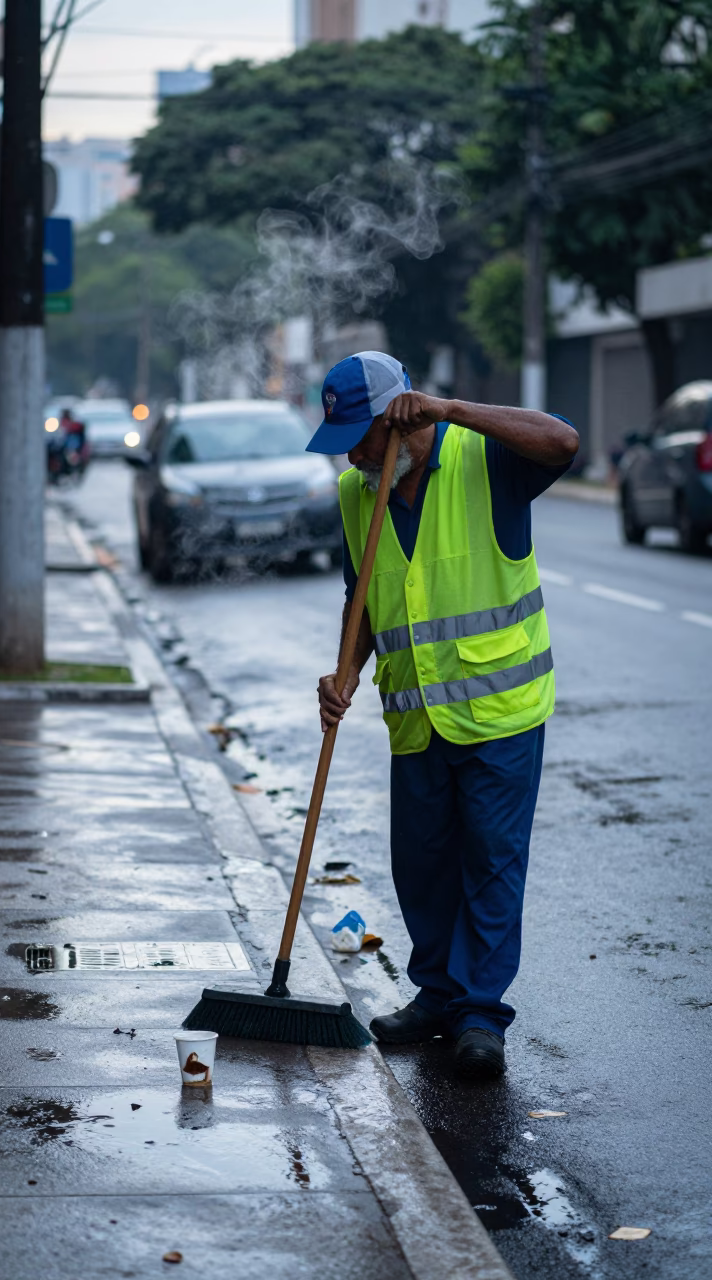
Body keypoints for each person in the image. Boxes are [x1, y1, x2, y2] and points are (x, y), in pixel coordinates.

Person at [307, 351, 579, 1079]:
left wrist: (453, 408)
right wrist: (345, 671)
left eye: (363, 438)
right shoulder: (358, 493)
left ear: (403, 419)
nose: (358, 457)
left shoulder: (487, 459)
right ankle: (438, 995)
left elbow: (564, 442)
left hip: (501, 708)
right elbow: (360, 599)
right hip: (415, 713)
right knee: (422, 865)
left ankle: (481, 1016)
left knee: (490, 861)